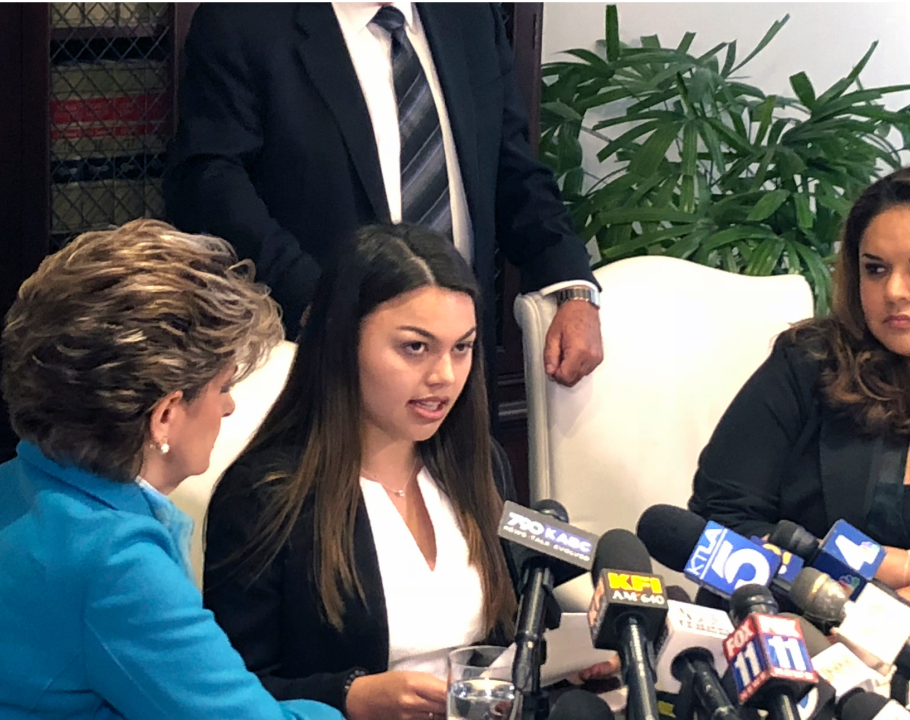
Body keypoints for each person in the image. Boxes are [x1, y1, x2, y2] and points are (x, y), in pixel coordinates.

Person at [204, 224, 615, 720]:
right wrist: (348, 697)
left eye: (461, 348)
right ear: (342, 343)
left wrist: (569, 656)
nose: (444, 376)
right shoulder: (264, 497)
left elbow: (520, 630)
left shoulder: (480, 464)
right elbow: (220, 695)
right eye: (415, 348)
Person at [0, 219, 341, 720]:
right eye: (222, 386)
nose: (230, 407)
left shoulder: (10, 483)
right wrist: (347, 704)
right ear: (166, 414)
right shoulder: (115, 563)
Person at [164, 1, 603, 392]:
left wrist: (571, 286)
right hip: (321, 363)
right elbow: (210, 184)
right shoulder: (244, 21)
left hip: (460, 364)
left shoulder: (470, 15)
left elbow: (512, 167)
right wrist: (323, 305)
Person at [688, 164, 910, 612]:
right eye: (875, 269)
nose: (895, 291)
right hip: (803, 642)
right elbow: (721, 519)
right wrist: (892, 574)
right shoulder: (810, 363)